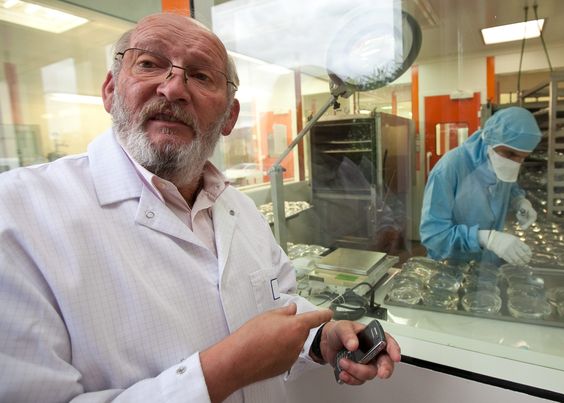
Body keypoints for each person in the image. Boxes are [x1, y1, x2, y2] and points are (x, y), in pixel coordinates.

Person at [0, 13, 400, 403]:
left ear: (229, 117)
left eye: (202, 75)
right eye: (149, 63)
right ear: (110, 89)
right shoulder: (18, 215)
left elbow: (279, 303)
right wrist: (224, 370)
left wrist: (319, 340)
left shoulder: (237, 208)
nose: (173, 88)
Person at [419, 107, 542, 266]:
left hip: (486, 266)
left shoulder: (501, 163)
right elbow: (434, 236)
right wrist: (485, 238)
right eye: (510, 154)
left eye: (522, 158)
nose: (514, 163)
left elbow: (509, 185)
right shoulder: (450, 168)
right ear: (491, 140)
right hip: (450, 267)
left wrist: (519, 201)